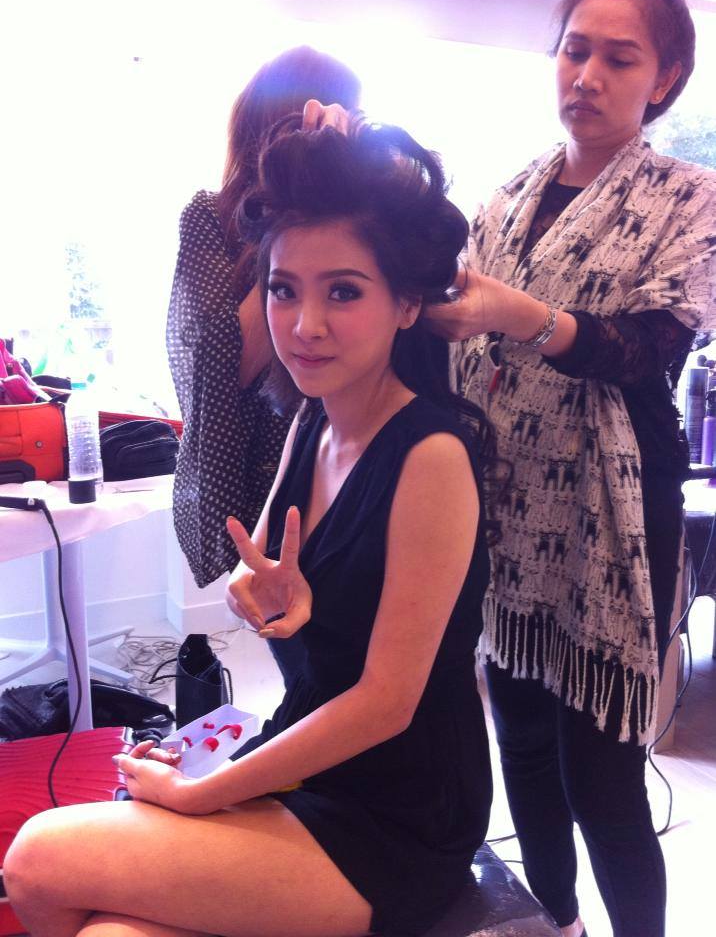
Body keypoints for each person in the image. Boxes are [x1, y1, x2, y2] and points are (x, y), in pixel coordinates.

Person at [5, 118, 495, 937]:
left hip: (398, 814)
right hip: (307, 754)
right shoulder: (313, 420)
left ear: (407, 303)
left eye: (344, 291)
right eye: (283, 289)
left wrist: (205, 789)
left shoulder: (432, 457)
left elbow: (385, 704)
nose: (304, 324)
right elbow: (255, 574)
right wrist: (259, 593)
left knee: (35, 859)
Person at [422, 0, 715, 936]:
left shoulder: (690, 200)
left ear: (664, 77)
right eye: (574, 49)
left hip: (613, 508)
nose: (586, 75)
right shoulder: (508, 197)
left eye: (618, 58)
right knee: (521, 739)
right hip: (505, 500)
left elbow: (645, 351)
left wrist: (522, 316)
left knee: (603, 777)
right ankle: (554, 921)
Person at [167, 45, 361, 685]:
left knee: (348, 647)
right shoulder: (211, 217)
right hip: (261, 468)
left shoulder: (359, 216)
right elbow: (225, 362)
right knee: (301, 655)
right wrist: (290, 209)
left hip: (345, 453)